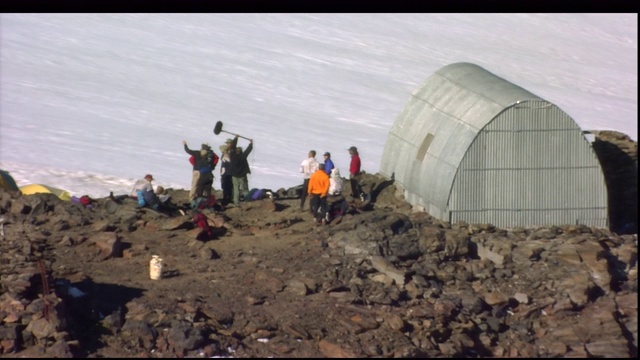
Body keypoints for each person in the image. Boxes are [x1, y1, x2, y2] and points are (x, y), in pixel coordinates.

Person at [228, 135, 253, 206]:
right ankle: (248, 199)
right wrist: (250, 144)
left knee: (236, 188)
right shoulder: (243, 156)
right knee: (244, 188)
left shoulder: (232, 155)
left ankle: (236, 202)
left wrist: (236, 138)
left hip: (234, 175)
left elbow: (232, 147)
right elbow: (248, 151)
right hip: (242, 175)